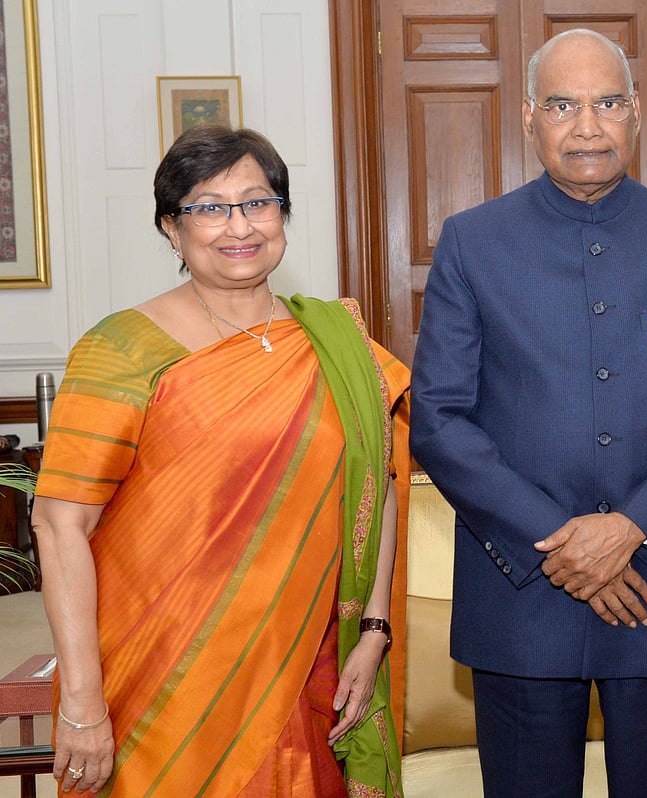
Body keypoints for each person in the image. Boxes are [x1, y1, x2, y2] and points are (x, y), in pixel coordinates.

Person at [409, 27, 647, 798]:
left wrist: (629, 529)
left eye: (607, 103)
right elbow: (438, 416)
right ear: (529, 117)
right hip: (523, 599)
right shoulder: (472, 243)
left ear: (636, 115)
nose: (587, 125)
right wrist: (563, 547)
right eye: (564, 104)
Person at [31, 125, 409, 797]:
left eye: (257, 202)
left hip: (301, 669)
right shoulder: (121, 349)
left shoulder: (334, 341)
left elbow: (375, 489)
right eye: (209, 206)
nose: (239, 225)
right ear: (171, 230)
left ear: (283, 215)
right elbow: (61, 526)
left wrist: (374, 631)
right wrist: (82, 702)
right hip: (163, 675)